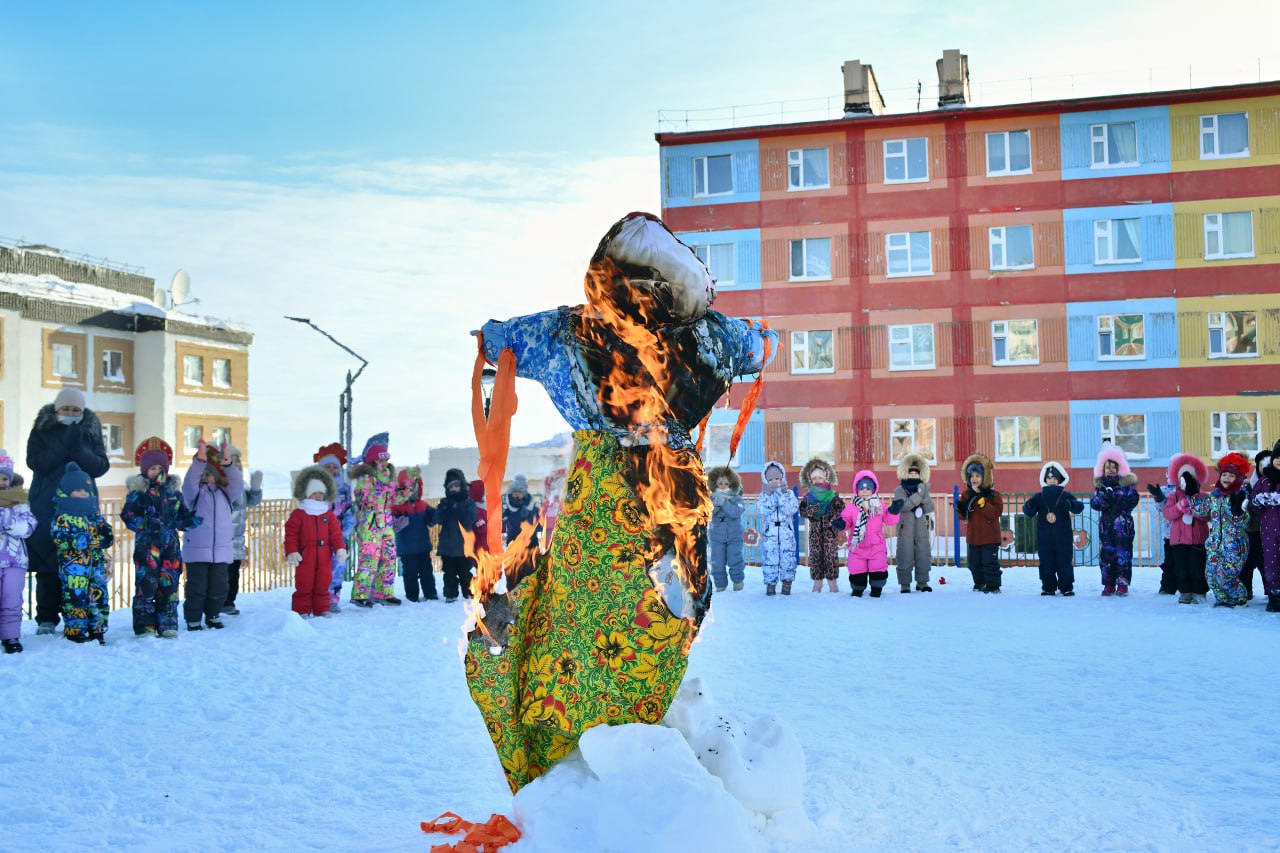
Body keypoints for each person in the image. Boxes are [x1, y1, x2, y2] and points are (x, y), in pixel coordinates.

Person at [466, 212, 776, 793]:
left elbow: (495, 340)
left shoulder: (568, 332)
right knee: (663, 612)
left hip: (599, 499)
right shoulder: (707, 335)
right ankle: (637, 724)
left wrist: (493, 335)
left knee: (579, 608)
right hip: (671, 494)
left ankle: (573, 737)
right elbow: (763, 347)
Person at [24, 388, 110, 635]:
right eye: (66, 409)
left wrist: (78, 449)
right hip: (46, 504)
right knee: (49, 560)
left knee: (79, 561)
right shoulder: (43, 428)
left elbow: (100, 466)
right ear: (56, 409)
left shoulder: (90, 430)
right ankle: (47, 618)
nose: (71, 413)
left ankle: (79, 614)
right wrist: (65, 445)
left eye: (76, 410)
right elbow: (36, 462)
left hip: (82, 507)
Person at [122, 438, 200, 638]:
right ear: (144, 470)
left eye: (160, 467)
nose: (157, 471)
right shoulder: (138, 493)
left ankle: (168, 623)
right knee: (147, 585)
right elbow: (128, 516)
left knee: (169, 585)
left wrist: (190, 520)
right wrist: (145, 524)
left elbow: (181, 515)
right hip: (147, 548)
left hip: (170, 547)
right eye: (152, 468)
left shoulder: (173, 493)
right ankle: (144, 626)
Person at [181, 442, 244, 631]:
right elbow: (189, 482)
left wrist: (228, 465)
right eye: (202, 474)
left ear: (216, 476)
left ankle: (213, 615)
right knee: (197, 588)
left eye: (207, 474)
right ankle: (193, 618)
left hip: (221, 551)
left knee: (219, 587)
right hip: (198, 551)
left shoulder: (226, 494)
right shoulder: (194, 495)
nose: (203, 477)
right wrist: (199, 463)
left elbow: (238, 483)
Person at [51, 462, 113, 644]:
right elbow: (59, 539)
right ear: (67, 491)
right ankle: (75, 629)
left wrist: (103, 539)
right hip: (74, 568)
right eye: (79, 490)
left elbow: (106, 534)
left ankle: (97, 629)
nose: (84, 494)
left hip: (95, 566)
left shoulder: (94, 514)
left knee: (98, 596)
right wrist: (85, 541)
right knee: (75, 596)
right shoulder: (62, 516)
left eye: (87, 490)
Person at [285, 465, 347, 618]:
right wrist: (292, 551)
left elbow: (336, 534)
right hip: (306, 554)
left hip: (324, 554)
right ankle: (302, 610)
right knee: (304, 583)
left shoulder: (328, 514)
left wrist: (340, 549)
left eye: (320, 492)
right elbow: (291, 535)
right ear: (307, 493)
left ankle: (321, 609)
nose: (318, 496)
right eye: (314, 492)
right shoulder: (299, 514)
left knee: (323, 582)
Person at [1191, 452, 1251, 608]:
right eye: (1224, 474)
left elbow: (1244, 521)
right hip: (1215, 544)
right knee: (1210, 575)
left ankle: (1239, 597)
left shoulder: (1241, 495)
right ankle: (1223, 599)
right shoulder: (1214, 496)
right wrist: (1191, 494)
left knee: (1225, 575)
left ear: (1238, 478)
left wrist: (1238, 511)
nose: (1226, 478)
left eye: (1231, 476)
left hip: (1234, 546)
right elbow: (1200, 510)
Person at [349, 432, 401, 607]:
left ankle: (385, 593)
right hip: (370, 523)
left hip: (386, 523)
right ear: (372, 462)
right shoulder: (365, 480)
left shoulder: (390, 479)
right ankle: (360, 594)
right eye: (379, 461)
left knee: (389, 557)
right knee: (369, 559)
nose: (383, 464)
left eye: (385, 460)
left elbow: (394, 499)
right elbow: (362, 500)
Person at [836, 469, 903, 597]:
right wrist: (841, 524)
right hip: (857, 547)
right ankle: (857, 589)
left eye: (868, 488)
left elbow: (889, 520)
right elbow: (846, 520)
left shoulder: (880, 505)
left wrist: (893, 511)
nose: (865, 491)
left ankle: (876, 589)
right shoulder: (851, 507)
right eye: (861, 489)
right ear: (856, 490)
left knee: (878, 568)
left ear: (874, 490)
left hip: (876, 546)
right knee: (857, 570)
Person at [1023, 462, 1083, 596]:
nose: (1052, 480)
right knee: (1046, 563)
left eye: (1055, 478)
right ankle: (1048, 587)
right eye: (1049, 478)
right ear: (1045, 480)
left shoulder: (1065, 495)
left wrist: (1071, 504)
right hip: (1045, 538)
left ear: (1060, 480)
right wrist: (1029, 505)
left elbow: (1079, 507)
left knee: (1065, 562)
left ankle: (1066, 587)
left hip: (1063, 537)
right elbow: (1028, 511)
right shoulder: (1038, 497)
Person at [1091, 445, 1140, 596]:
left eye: (1114, 467)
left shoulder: (1127, 485)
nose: (1110, 470)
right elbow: (1095, 503)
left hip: (1123, 528)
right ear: (1102, 469)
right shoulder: (1101, 486)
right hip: (1106, 529)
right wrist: (1106, 497)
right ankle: (1109, 584)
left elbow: (1132, 500)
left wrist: (1116, 496)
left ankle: (1123, 583)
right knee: (1106, 556)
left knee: (1123, 555)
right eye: (1107, 467)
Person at [0, 451, 37, 653]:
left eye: (4, 478)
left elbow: (29, 527)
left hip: (15, 561)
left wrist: (8, 522)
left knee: (12, 599)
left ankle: (10, 636)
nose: (1, 482)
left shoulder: (19, 502)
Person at [1163, 453, 1210, 604]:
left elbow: (1208, 515)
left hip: (1198, 540)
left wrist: (1195, 509)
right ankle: (1185, 592)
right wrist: (1179, 507)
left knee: (1197, 569)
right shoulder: (1174, 496)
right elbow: (1168, 513)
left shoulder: (1203, 496)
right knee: (1181, 569)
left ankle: (1199, 592)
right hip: (1179, 540)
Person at [314, 443, 356, 613]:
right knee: (320, 568)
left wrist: (347, 528)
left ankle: (332, 599)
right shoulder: (315, 488)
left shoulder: (344, 489)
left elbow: (348, 510)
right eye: (327, 467)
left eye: (335, 467)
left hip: (339, 536)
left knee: (338, 567)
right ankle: (318, 598)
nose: (332, 470)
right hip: (319, 537)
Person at [222, 445, 262, 616]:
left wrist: (255, 488)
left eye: (238, 460)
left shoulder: (241, 486)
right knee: (220, 574)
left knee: (233, 574)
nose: (236, 463)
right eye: (232, 460)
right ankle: (218, 602)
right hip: (221, 538)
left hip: (237, 539)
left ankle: (229, 602)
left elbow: (251, 502)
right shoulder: (222, 485)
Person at [955, 453, 1003, 593]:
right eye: (972, 476)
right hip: (974, 537)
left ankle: (993, 586)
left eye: (977, 476)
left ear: (984, 477)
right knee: (975, 564)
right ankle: (979, 583)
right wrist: (960, 508)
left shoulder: (994, 495)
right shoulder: (966, 495)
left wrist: (981, 501)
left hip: (990, 537)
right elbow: (963, 516)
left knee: (989, 563)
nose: (974, 479)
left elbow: (995, 513)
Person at [799, 458, 845, 593]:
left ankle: (832, 583)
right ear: (811, 481)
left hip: (830, 532)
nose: (818, 480)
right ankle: (817, 583)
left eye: (820, 477)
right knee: (816, 557)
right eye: (815, 478)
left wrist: (833, 516)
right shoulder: (808, 497)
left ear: (825, 479)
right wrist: (812, 510)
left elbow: (841, 508)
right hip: (815, 533)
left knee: (831, 557)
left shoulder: (832, 495)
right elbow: (802, 511)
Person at [392, 466, 437, 602]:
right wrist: (399, 521)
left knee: (426, 572)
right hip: (407, 548)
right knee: (410, 574)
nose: (412, 490)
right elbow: (392, 524)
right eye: (409, 487)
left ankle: (430, 594)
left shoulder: (423, 505)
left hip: (423, 546)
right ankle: (412, 596)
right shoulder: (397, 506)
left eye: (415, 486)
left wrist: (436, 514)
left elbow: (433, 519)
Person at [892, 453, 934, 593]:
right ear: (905, 473)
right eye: (911, 473)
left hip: (921, 528)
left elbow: (929, 507)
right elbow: (903, 506)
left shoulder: (923, 489)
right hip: (905, 529)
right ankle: (905, 584)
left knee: (923, 554)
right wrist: (919, 495)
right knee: (905, 555)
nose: (914, 476)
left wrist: (924, 495)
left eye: (917, 473)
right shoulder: (900, 490)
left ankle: (922, 582)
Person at [1246, 441, 1280, 612]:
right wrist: (1258, 501)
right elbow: (1252, 503)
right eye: (1277, 457)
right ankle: (1274, 595)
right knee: (1271, 560)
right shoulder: (1264, 481)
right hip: (1268, 530)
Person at [756, 460, 799, 596]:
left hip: (786, 533)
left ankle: (787, 584)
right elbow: (763, 510)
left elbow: (791, 509)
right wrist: (772, 496)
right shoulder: (764, 496)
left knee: (788, 559)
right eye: (771, 479)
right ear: (766, 481)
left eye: (777, 479)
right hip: (771, 535)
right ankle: (770, 585)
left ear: (782, 479)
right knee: (770, 560)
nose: (775, 482)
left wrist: (781, 495)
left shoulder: (789, 494)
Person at [435, 469, 477, 603]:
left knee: (465, 572)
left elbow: (470, 519)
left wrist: (457, 509)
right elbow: (438, 519)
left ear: (462, 486)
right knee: (449, 573)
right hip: (447, 546)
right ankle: (450, 594)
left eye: (456, 486)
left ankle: (470, 592)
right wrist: (445, 509)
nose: (454, 489)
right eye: (451, 487)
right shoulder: (445, 503)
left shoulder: (468, 502)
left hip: (464, 545)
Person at [706, 465, 747, 592]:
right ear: (715, 485)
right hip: (717, 536)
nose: (723, 486)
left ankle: (738, 581)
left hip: (734, 535)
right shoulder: (710, 499)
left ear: (731, 484)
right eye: (720, 484)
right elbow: (709, 514)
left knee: (735, 558)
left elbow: (736, 512)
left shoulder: (737, 498)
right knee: (717, 561)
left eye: (725, 483)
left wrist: (724, 503)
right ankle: (720, 584)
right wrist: (716, 504)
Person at [1240, 448, 1270, 600]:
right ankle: (1246, 590)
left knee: (1268, 562)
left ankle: (1271, 590)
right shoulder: (1250, 485)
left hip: (1271, 530)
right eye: (1261, 464)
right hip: (1252, 530)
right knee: (1248, 561)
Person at [1145, 472, 1178, 595]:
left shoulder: (1188, 487)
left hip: (1188, 532)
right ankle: (1168, 586)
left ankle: (1186, 587)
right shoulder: (1165, 489)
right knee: (1169, 561)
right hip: (1170, 532)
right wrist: (1159, 497)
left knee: (1184, 562)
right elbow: (1161, 509)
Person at [501, 473, 541, 550]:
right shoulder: (508, 511)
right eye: (514, 491)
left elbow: (539, 525)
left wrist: (527, 518)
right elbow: (506, 526)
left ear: (524, 493)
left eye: (519, 491)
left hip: (531, 546)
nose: (516, 494)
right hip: (514, 547)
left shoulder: (532, 508)